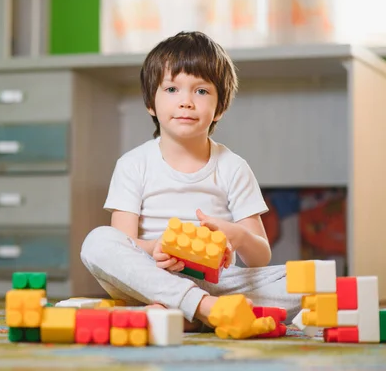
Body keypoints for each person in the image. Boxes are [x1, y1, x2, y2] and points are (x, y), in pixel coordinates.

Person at [80, 31, 301, 331]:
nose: (186, 102)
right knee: (97, 242)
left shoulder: (233, 167)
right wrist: (155, 248)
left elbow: (260, 257)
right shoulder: (133, 164)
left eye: (201, 91)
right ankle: (202, 309)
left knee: (310, 283)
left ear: (220, 107)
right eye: (172, 89)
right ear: (150, 102)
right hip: (149, 277)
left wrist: (237, 236)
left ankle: (181, 314)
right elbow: (124, 242)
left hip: (219, 283)